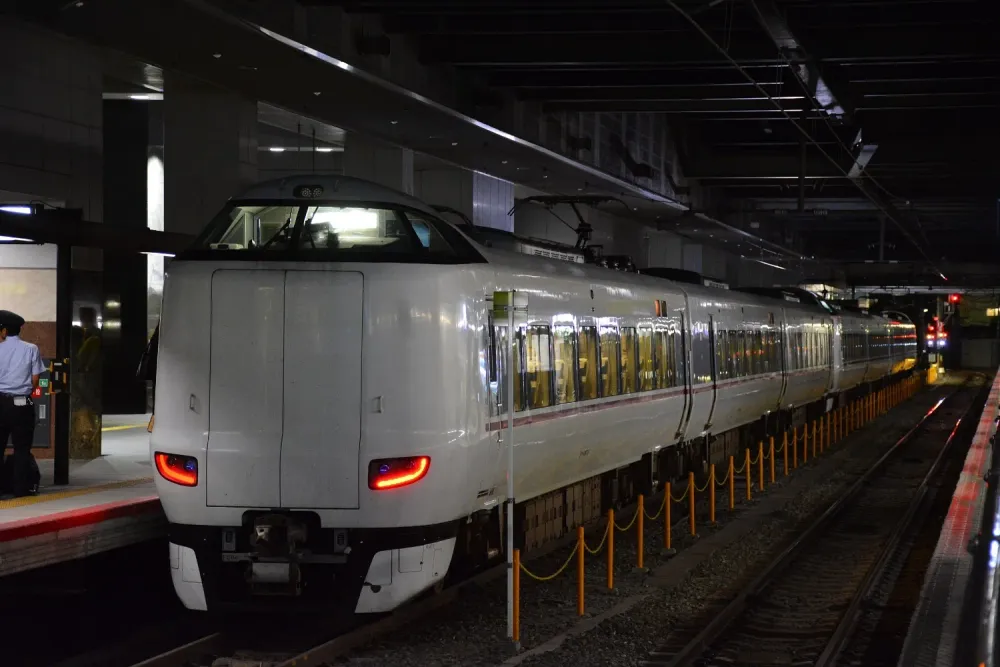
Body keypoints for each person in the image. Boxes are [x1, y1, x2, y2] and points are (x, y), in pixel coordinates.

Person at [0, 310, 44, 497]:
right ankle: (20, 490)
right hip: (22, 404)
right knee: (22, 449)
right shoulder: (31, 349)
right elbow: (35, 380)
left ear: (3, 331)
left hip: (0, 402)